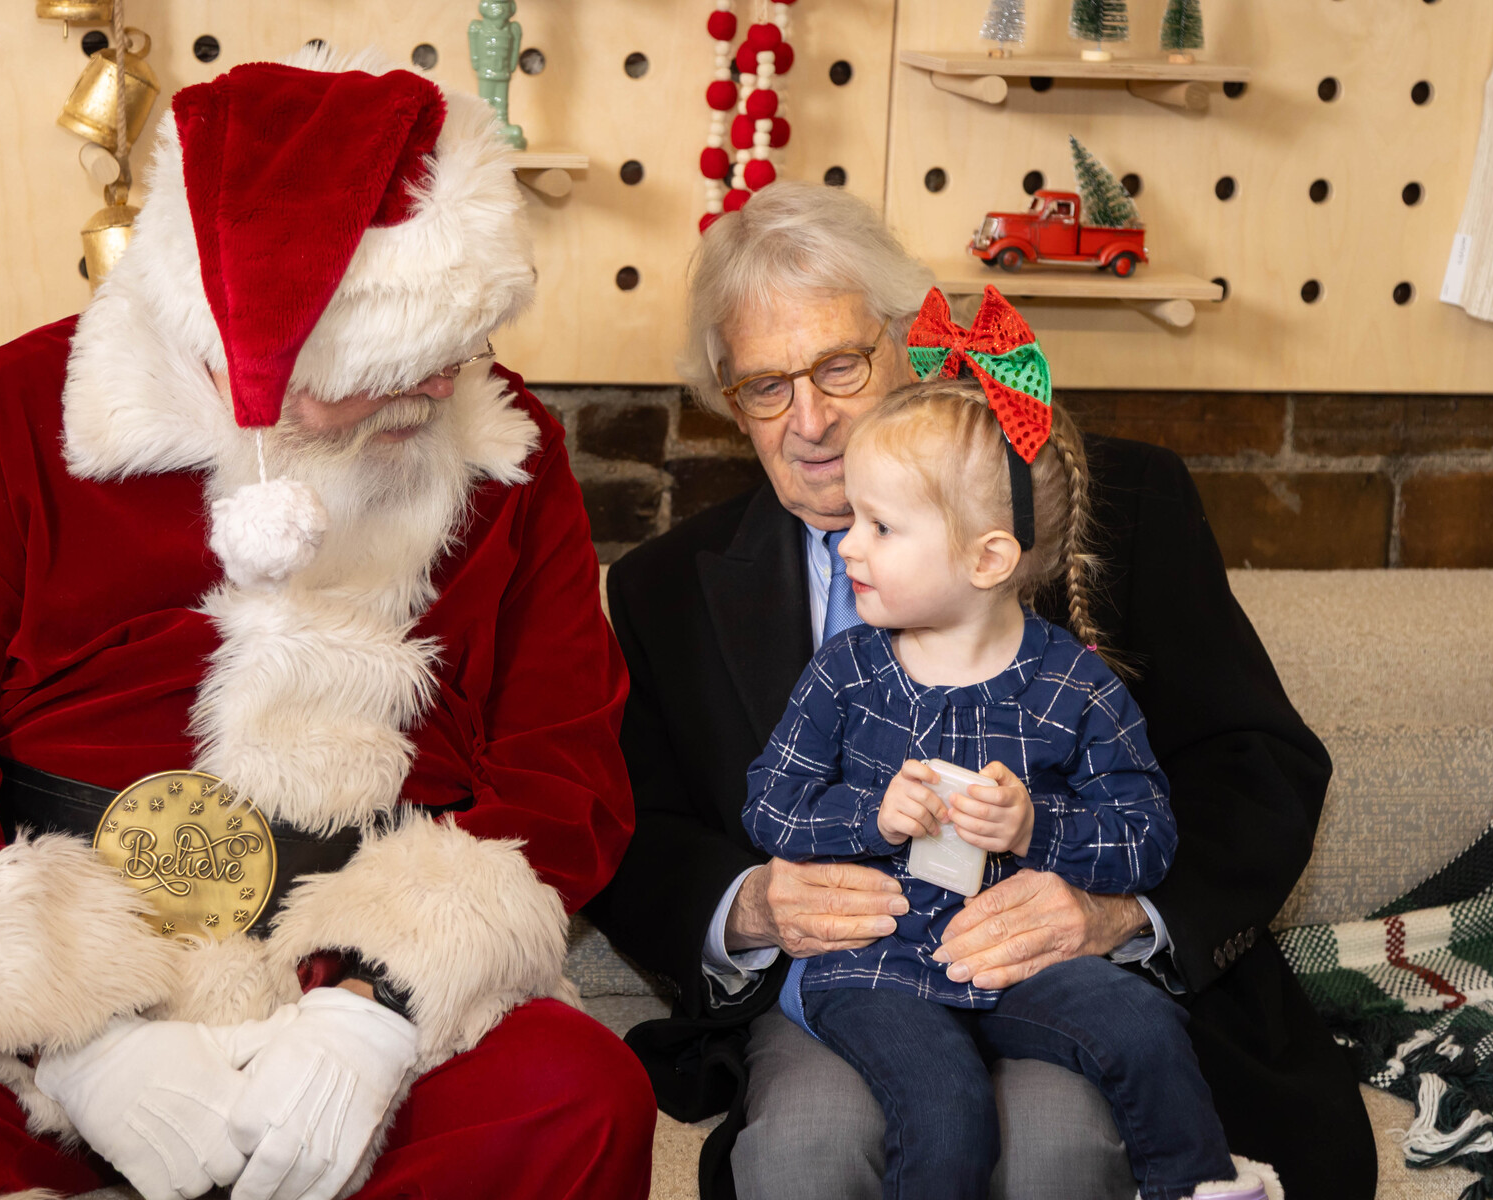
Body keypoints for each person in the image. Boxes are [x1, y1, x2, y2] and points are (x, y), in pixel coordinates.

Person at [0, 46, 653, 1200]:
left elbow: (562, 768)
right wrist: (78, 1038)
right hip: (50, 984)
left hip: (363, 983)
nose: (442, 387)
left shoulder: (509, 450)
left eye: (459, 350)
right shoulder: (16, 411)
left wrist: (377, 1007)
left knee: (579, 1099)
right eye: (398, 361)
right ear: (256, 331)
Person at [584, 182, 1376, 1200]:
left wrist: (1113, 912)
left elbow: (1254, 765)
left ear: (912, 344)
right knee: (803, 1150)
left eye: (838, 365)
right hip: (845, 984)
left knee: (1055, 1147)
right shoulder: (664, 588)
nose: (810, 421)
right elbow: (637, 828)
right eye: (765, 387)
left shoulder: (1106, 502)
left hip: (1052, 970)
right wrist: (752, 906)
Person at [743, 323, 1276, 1200]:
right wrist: (871, 816)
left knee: (1141, 1022)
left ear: (988, 558)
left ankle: (1199, 1187)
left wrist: (1037, 827)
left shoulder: (1077, 684)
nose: (848, 546)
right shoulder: (846, 673)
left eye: (881, 526)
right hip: (878, 968)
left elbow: (1146, 838)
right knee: (946, 1103)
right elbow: (770, 805)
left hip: (1018, 965)